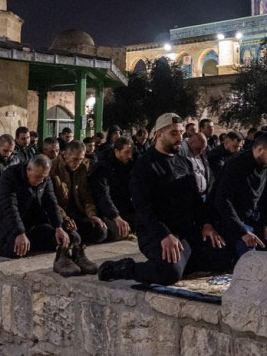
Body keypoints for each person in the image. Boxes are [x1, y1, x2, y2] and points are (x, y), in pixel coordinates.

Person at [97, 113, 229, 285]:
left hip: (186, 233)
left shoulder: (184, 163)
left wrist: (206, 224)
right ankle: (123, 268)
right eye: (173, 133)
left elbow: (195, 200)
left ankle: (186, 261)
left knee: (225, 255)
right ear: (159, 134)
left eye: (181, 133)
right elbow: (143, 208)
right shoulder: (144, 166)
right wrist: (164, 234)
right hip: (156, 233)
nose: (179, 138)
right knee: (169, 272)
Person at [212, 130, 267, 260]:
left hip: (250, 219)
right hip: (229, 221)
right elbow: (223, 200)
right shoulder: (235, 164)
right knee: (249, 255)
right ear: (260, 149)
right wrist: (242, 231)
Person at [0, 155, 72, 258]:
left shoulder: (44, 178)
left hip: (33, 222)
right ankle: (3, 241)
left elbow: (51, 203)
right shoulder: (10, 176)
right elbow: (10, 207)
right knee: (16, 251)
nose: (41, 181)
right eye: (38, 177)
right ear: (28, 169)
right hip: (7, 222)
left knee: (69, 238)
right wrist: (19, 232)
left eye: (44, 177)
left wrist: (58, 226)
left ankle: (29, 242)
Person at [51, 141, 108, 244]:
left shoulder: (83, 167)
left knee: (101, 232)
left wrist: (92, 214)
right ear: (65, 154)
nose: (77, 163)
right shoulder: (53, 167)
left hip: (78, 213)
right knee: (74, 239)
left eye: (80, 159)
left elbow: (87, 194)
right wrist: (64, 218)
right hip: (60, 215)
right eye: (75, 159)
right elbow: (51, 200)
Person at [92, 136, 138, 241]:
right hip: (108, 209)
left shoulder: (133, 163)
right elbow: (103, 195)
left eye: (131, 152)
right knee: (119, 232)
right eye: (126, 152)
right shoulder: (102, 168)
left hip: (126, 206)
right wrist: (115, 216)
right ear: (117, 151)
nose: (130, 156)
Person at [185, 132, 212, 199]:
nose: (200, 152)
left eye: (203, 149)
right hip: (190, 197)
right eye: (198, 149)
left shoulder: (202, 154)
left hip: (204, 195)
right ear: (190, 143)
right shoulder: (183, 153)